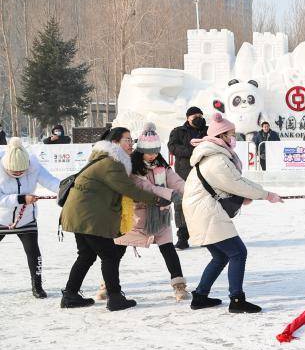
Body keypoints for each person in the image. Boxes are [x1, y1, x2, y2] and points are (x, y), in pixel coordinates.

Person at [59, 127, 168, 311]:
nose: (131, 143)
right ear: (115, 142)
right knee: (109, 255)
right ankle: (115, 298)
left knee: (86, 255)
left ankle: (70, 295)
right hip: (88, 216)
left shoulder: (103, 158)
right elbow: (128, 189)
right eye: (127, 139)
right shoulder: (112, 163)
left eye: (131, 139)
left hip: (79, 214)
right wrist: (156, 199)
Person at [183, 112, 282, 313]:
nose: (234, 138)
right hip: (207, 213)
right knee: (238, 252)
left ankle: (200, 296)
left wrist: (249, 195)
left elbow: (229, 184)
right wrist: (266, 194)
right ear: (220, 137)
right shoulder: (216, 160)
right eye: (231, 134)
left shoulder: (214, 156)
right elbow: (237, 183)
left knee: (221, 256)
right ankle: (237, 300)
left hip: (204, 212)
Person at [106, 123, 190, 302]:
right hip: (137, 218)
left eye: (155, 151)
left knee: (168, 250)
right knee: (117, 250)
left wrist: (191, 190)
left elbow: (176, 181)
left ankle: (179, 286)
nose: (153, 155)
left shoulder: (162, 166)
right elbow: (146, 188)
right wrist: (170, 194)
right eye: (149, 151)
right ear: (140, 150)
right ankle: (107, 285)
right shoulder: (132, 169)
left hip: (160, 217)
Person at [0, 137, 61, 297]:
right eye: (14, 172)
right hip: (1, 218)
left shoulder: (33, 165)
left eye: (22, 171)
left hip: (26, 217)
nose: (18, 174)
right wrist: (21, 198)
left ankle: (37, 285)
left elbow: (51, 182)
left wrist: (67, 191)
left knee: (33, 251)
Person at [167, 106, 207, 250]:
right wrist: (192, 151)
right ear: (187, 118)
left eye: (200, 116)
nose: (198, 118)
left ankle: (205, 236)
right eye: (194, 116)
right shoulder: (178, 131)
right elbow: (172, 147)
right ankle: (183, 237)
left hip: (205, 173)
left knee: (204, 205)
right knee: (182, 205)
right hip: (184, 174)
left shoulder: (207, 130)